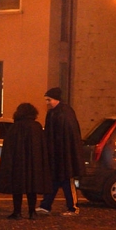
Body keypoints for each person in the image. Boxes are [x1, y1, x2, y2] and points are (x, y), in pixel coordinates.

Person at [0, 103, 52, 219]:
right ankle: (32, 212)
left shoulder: (15, 127)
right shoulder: (36, 127)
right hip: (34, 163)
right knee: (32, 188)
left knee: (17, 188)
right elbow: (42, 146)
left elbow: (9, 147)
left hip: (18, 163)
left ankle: (17, 212)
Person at [36, 87, 85, 216]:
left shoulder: (64, 113)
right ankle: (46, 205)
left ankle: (72, 207)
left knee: (65, 180)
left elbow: (67, 135)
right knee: (55, 180)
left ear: (56, 99)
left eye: (49, 100)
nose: (47, 102)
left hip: (64, 154)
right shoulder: (56, 112)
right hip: (58, 153)